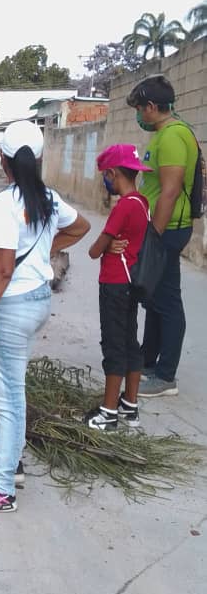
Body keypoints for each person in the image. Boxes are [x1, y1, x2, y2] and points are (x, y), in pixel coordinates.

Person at [0, 121, 90, 514]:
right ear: (39, 159)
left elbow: (1, 272)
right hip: (35, 302)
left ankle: (1, 489)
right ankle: (8, 462)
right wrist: (48, 246)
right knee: (12, 392)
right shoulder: (46, 197)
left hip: (12, 307)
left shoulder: (4, 204)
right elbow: (80, 227)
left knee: (9, 399)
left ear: (4, 159)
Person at [125, 75, 198, 397]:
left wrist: (153, 235)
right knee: (154, 299)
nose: (139, 115)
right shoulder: (166, 134)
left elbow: (168, 192)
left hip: (166, 230)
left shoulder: (172, 136)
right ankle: (148, 361)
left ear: (152, 107)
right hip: (160, 228)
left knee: (166, 301)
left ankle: (165, 375)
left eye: (140, 109)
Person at [83, 144, 152, 431]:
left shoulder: (123, 206)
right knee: (129, 342)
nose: (105, 182)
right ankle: (130, 406)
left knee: (113, 345)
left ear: (112, 173)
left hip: (114, 283)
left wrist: (107, 243)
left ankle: (108, 411)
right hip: (132, 281)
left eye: (105, 176)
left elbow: (94, 251)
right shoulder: (142, 202)